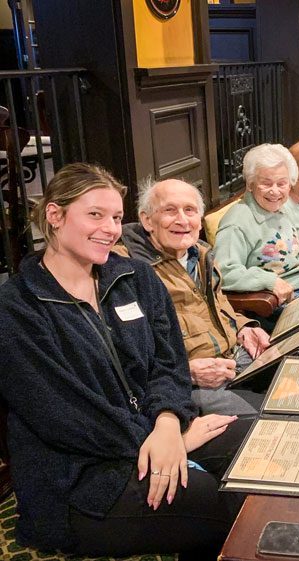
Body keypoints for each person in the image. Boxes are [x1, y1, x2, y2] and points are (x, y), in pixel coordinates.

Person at [0, 163, 248, 559]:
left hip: (155, 432)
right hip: (81, 476)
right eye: (94, 215)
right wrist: (174, 442)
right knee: (228, 506)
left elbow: (168, 364)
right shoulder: (19, 306)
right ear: (55, 215)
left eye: (116, 217)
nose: (111, 228)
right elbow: (63, 416)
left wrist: (168, 422)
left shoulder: (134, 276)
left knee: (257, 451)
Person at [117, 178, 271, 415]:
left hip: (234, 358)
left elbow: (216, 306)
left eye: (190, 210)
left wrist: (244, 327)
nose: (182, 220)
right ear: (147, 220)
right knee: (266, 423)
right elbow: (128, 351)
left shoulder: (199, 254)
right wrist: (186, 371)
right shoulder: (129, 269)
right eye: (169, 210)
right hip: (188, 382)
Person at [215, 143, 299, 307]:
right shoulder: (236, 222)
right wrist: (269, 280)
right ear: (250, 184)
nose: (275, 191)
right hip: (274, 302)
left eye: (281, 183)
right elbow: (222, 272)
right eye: (266, 183)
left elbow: (277, 244)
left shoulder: (279, 208)